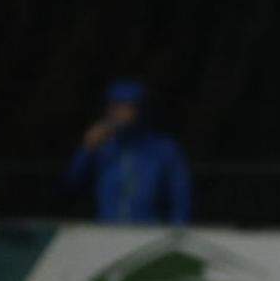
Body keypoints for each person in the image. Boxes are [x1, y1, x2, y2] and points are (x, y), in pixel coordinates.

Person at [66, 80, 192, 224]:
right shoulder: (102, 147)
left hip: (148, 229)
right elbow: (73, 183)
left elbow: (181, 196)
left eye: (128, 107)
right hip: (105, 229)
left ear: (141, 109)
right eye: (115, 107)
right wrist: (86, 149)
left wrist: (177, 229)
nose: (120, 113)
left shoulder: (164, 148)